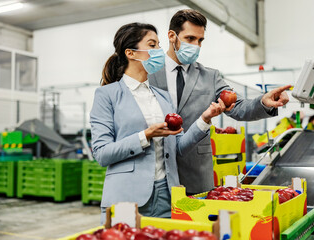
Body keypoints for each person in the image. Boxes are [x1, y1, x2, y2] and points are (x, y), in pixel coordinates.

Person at [90, 22, 228, 223]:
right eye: (152, 45)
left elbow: (179, 146)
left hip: (167, 193)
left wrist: (204, 120)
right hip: (127, 196)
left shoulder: (162, 97)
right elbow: (101, 154)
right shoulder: (107, 95)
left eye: (158, 45)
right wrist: (145, 136)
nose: (159, 51)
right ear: (131, 53)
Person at [149, 9, 291, 195]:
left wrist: (263, 102)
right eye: (190, 38)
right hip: (155, 171)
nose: (196, 45)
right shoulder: (148, 71)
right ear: (171, 36)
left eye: (200, 40)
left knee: (196, 223)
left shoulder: (210, 77)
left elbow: (239, 107)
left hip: (196, 172)